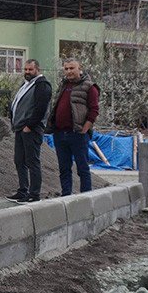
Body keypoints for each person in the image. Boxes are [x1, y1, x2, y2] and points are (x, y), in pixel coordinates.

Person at [46, 58, 100, 196]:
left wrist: (84, 129)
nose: (69, 71)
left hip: (77, 134)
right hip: (60, 134)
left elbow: (94, 110)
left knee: (82, 168)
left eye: (72, 68)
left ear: (79, 68)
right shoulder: (63, 85)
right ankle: (66, 197)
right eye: (66, 69)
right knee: (64, 169)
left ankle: (86, 197)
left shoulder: (90, 87)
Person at [7, 59, 52, 203]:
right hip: (20, 128)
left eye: (30, 70)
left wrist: (30, 126)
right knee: (19, 160)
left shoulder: (42, 85)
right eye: (25, 70)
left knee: (32, 161)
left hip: (31, 129)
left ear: (37, 70)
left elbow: (40, 108)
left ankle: (34, 194)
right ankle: (23, 190)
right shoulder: (26, 84)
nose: (27, 72)